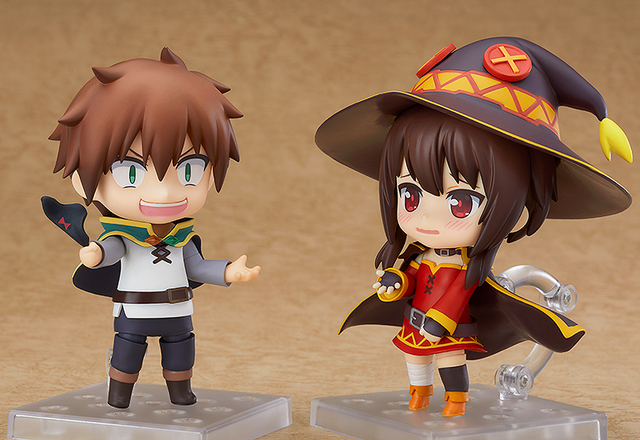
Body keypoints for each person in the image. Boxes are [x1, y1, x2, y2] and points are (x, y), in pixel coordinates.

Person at [315, 37, 632, 416]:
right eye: (410, 195)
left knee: (450, 360)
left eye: (460, 202)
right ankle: (419, 394)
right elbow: (411, 281)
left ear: (515, 203)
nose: (427, 218)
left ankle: (456, 399)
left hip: (445, 326)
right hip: (415, 322)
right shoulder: (418, 255)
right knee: (415, 360)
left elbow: (454, 295)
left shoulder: (462, 268)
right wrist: (396, 283)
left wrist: (437, 322)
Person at [49, 48, 260, 408]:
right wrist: (96, 252)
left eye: (190, 169)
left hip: (178, 309)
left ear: (210, 175)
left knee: (181, 350)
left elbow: (195, 267)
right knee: (128, 352)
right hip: (133, 311)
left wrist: (228, 271)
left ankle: (181, 392)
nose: (163, 193)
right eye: (130, 172)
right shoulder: (125, 236)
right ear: (85, 179)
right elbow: (112, 249)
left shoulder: (181, 237)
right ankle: (119, 395)